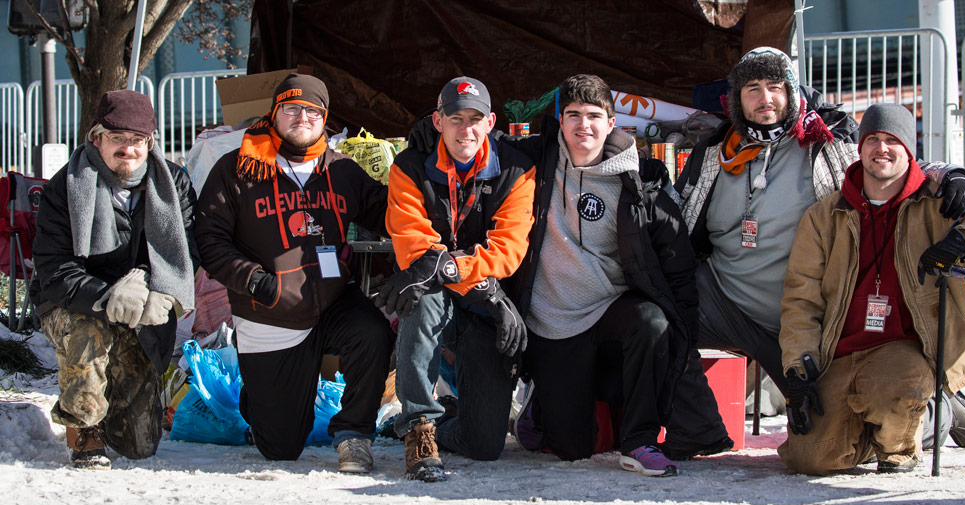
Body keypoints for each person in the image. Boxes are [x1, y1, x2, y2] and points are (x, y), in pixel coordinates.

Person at [664, 47, 965, 460]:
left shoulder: (827, 140)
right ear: (737, 99)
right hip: (725, 303)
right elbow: (678, 214)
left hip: (805, 324)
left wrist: (950, 174)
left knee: (832, 431)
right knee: (658, 319)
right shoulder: (714, 152)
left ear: (793, 92)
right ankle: (701, 431)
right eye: (752, 89)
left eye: (775, 87)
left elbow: (894, 163)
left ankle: (938, 407)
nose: (765, 99)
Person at [777, 102, 965, 474]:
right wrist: (797, 366)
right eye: (873, 138)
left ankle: (924, 424)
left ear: (909, 150)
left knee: (892, 399)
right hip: (841, 351)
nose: (882, 148)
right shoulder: (824, 215)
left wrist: (964, 239)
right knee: (811, 459)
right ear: (859, 148)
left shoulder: (938, 202)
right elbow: (801, 298)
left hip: (906, 348)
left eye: (893, 140)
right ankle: (887, 426)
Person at [195, 73, 393, 472]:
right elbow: (210, 239)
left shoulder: (343, 170)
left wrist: (418, 166)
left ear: (325, 118)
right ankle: (260, 393)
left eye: (313, 110)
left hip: (334, 300)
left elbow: (393, 215)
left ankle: (353, 434)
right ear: (275, 113)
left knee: (372, 330)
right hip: (269, 308)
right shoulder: (237, 168)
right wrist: (256, 282)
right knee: (280, 447)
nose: (302, 117)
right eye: (292, 108)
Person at [506, 74, 698, 477]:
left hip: (610, 310)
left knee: (652, 321)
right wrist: (423, 137)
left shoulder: (640, 178)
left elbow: (676, 259)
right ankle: (545, 399)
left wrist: (684, 329)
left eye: (594, 115)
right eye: (573, 115)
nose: (583, 126)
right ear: (560, 121)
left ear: (612, 123)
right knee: (572, 449)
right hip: (552, 322)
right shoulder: (535, 160)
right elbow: (473, 146)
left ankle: (640, 441)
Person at [31, 89, 199, 468]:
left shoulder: (174, 184)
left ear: (150, 142)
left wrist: (160, 290)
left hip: (143, 304)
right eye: (117, 139)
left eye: (137, 140)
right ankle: (83, 426)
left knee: (140, 444)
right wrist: (108, 296)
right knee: (91, 330)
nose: (128, 149)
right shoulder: (65, 187)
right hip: (74, 303)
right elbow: (55, 271)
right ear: (96, 138)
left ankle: (105, 407)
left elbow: (189, 250)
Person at [378, 77, 535, 482]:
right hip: (444, 291)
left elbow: (508, 250)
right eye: (455, 118)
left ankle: (445, 424)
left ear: (490, 122)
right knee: (421, 297)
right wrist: (470, 278)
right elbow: (415, 247)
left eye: (475, 119)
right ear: (438, 120)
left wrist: (453, 270)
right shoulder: (408, 167)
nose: (465, 129)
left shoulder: (517, 169)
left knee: (485, 445)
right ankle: (417, 429)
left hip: (482, 298)